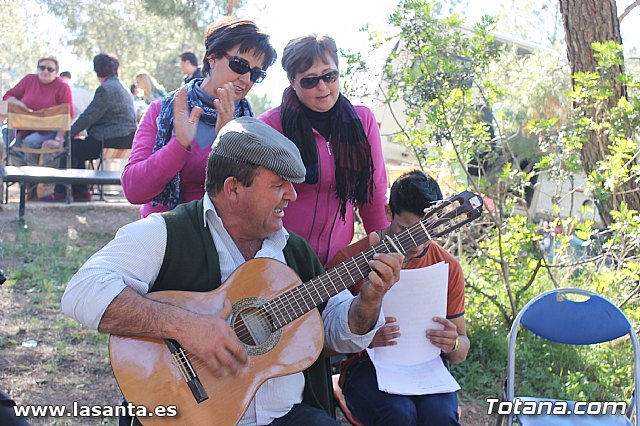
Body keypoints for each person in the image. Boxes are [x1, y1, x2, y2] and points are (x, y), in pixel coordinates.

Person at [61, 111, 403, 425]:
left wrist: (369, 300)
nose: (292, 196)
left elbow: (335, 330)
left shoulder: (293, 250)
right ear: (233, 188)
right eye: (278, 185)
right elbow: (82, 292)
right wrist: (186, 326)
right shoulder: (166, 233)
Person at [328, 171, 470, 426]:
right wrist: (363, 338)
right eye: (406, 230)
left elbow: (461, 350)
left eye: (426, 230)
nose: (416, 241)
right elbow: (322, 344)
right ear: (388, 211)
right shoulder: (350, 260)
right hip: (366, 368)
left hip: (428, 370)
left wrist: (453, 344)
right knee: (399, 415)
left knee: (440, 416)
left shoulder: (448, 266)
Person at [122, 17, 277, 217]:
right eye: (239, 65)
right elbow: (134, 190)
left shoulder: (248, 124)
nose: (246, 79)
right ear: (212, 58)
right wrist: (178, 146)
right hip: (164, 231)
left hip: (222, 238)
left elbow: (250, 199)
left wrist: (227, 143)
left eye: (256, 74)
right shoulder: (163, 110)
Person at [260, 34, 388, 266]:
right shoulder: (270, 126)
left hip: (337, 267)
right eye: (310, 80)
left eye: (330, 76)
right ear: (292, 80)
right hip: (280, 261)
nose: (323, 87)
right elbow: (258, 203)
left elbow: (373, 198)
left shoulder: (362, 121)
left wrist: (385, 252)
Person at [40, 54, 137, 202]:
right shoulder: (121, 86)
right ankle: (81, 191)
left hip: (110, 138)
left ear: (96, 70)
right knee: (79, 146)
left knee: (71, 146)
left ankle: (62, 192)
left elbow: (89, 116)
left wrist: (67, 135)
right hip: (126, 139)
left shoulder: (106, 89)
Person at [2, 56, 74, 165]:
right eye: (42, 67)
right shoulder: (29, 80)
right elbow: (8, 96)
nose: (45, 71)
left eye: (50, 69)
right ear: (37, 69)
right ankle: (22, 180)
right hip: (25, 128)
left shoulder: (62, 87)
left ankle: (34, 178)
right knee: (11, 148)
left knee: (30, 142)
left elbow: (69, 115)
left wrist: (59, 138)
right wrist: (19, 104)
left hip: (50, 130)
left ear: (56, 72)